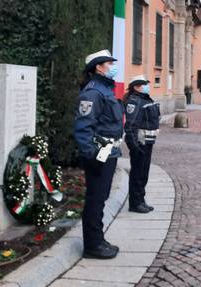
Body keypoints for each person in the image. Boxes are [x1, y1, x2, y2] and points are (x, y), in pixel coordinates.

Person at [74, 49, 123, 259]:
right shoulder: (93, 92)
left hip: (108, 153)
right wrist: (90, 156)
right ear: (98, 67)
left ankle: (98, 238)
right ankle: (92, 246)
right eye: (109, 64)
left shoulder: (104, 89)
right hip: (98, 154)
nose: (112, 67)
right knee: (95, 199)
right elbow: (82, 127)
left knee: (101, 198)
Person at [124, 75, 161, 213]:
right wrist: (133, 145)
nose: (147, 86)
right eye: (144, 84)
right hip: (139, 144)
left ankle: (141, 200)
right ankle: (135, 203)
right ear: (136, 87)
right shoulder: (135, 101)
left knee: (144, 174)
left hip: (148, 143)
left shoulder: (145, 99)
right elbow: (131, 125)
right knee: (137, 174)